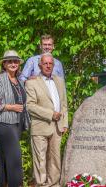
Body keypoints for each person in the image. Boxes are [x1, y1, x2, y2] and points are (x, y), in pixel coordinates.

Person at [0, 50, 30, 187]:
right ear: (4, 64)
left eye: (15, 61)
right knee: (15, 157)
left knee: (5, 156)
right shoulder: (1, 79)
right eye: (9, 61)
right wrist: (10, 107)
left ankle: (4, 184)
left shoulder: (18, 80)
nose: (13, 63)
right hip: (4, 123)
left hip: (16, 123)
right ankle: (16, 184)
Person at [25, 53, 68, 186]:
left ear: (53, 65)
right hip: (40, 126)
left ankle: (54, 184)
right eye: (45, 63)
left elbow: (64, 103)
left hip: (58, 127)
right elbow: (30, 106)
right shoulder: (31, 82)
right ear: (39, 65)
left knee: (55, 160)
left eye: (50, 63)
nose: (48, 66)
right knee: (40, 161)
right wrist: (50, 114)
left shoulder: (59, 81)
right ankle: (41, 184)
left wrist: (65, 122)